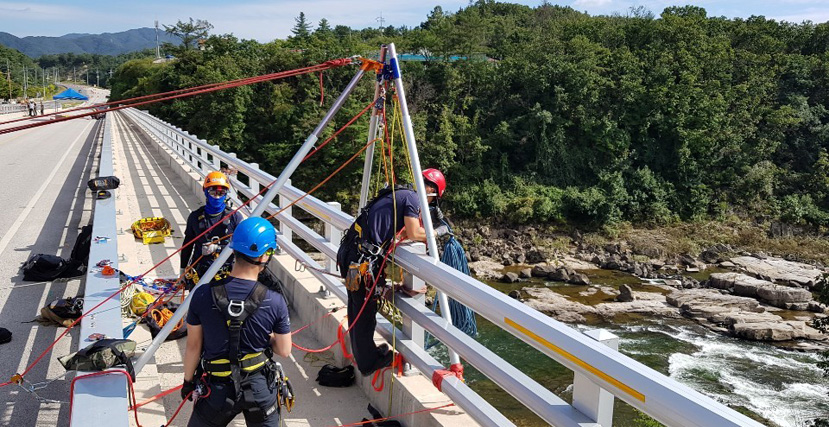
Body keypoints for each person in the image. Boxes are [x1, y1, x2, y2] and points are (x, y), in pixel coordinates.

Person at [336, 168, 449, 375]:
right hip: (362, 261)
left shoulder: (401, 194)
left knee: (356, 306)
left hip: (352, 253)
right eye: (433, 200)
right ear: (431, 189)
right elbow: (414, 232)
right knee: (365, 311)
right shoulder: (413, 199)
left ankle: (366, 353)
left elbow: (404, 230)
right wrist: (436, 232)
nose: (430, 205)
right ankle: (368, 362)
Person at [182, 217, 291, 427]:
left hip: (218, 391)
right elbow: (284, 350)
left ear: (233, 250)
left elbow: (193, 346)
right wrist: (265, 336)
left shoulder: (203, 295)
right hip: (258, 388)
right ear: (265, 256)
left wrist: (188, 383)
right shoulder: (275, 301)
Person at [181, 171, 242, 289]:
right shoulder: (195, 217)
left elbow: (241, 246)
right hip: (200, 273)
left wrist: (218, 248)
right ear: (206, 192)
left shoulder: (234, 217)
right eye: (213, 192)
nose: (217, 196)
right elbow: (187, 244)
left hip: (225, 273)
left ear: (226, 194)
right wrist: (182, 269)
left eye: (221, 193)